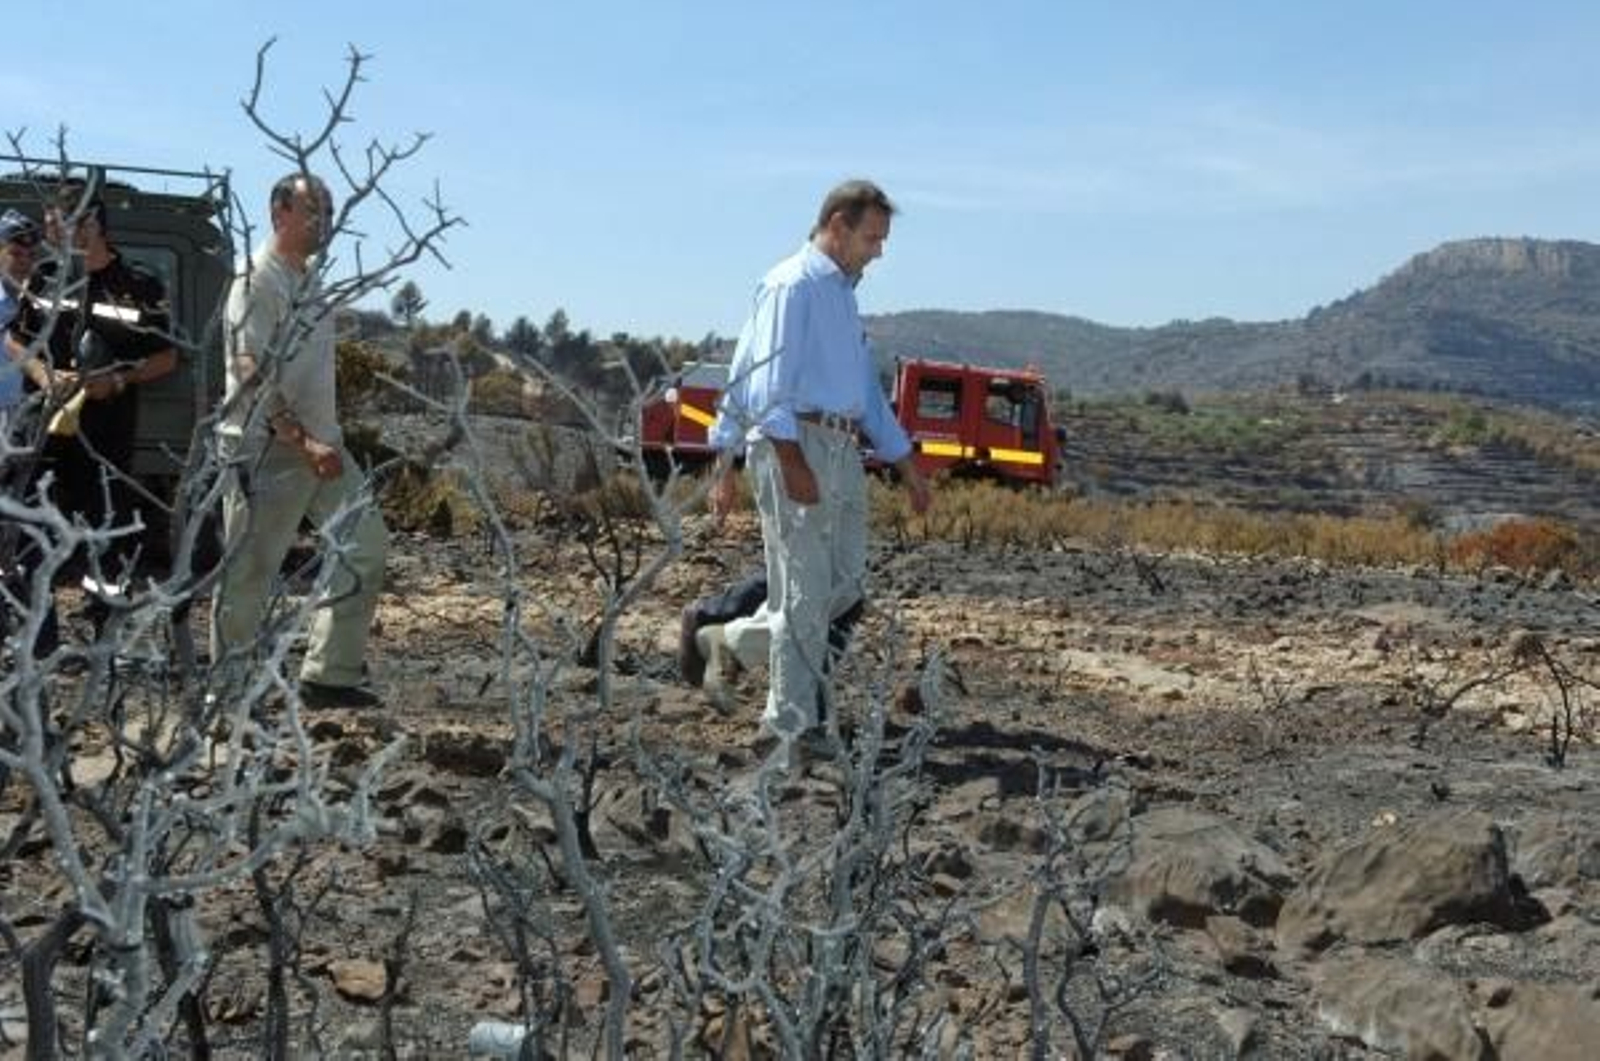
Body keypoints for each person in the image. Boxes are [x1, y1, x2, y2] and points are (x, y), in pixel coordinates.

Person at [706, 179, 931, 756]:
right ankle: (788, 726)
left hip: (841, 448)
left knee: (845, 587)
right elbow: (761, 381)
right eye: (872, 238)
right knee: (805, 593)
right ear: (837, 226)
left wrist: (906, 462)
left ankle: (730, 642)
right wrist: (785, 459)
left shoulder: (842, 297)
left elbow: (865, 394)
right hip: (796, 443)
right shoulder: (792, 285)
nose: (878, 251)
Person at [209, 173, 388, 709]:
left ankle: (329, 675)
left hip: (322, 446)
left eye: (328, 212)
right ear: (279, 213)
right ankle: (228, 697)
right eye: (314, 211)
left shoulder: (307, 280)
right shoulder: (255, 280)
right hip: (264, 449)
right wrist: (299, 438)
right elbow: (248, 366)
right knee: (249, 572)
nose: (324, 222)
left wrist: (318, 440)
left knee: (365, 546)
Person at [6, 186, 176, 612]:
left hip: (103, 439)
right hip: (42, 433)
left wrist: (117, 379)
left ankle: (103, 633)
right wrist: (42, 374)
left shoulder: (138, 285)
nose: (50, 236)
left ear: (91, 225)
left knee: (105, 544)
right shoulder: (46, 277)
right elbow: (14, 338)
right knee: (30, 539)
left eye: (57, 226)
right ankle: (35, 635)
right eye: (50, 227)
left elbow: (167, 357)